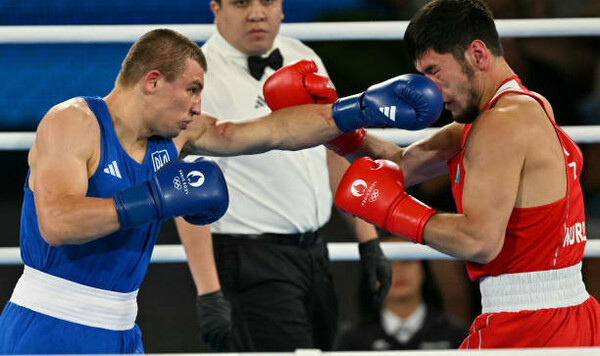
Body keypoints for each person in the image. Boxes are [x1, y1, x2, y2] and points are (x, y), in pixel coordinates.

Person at [0, 26, 443, 353]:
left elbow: (270, 131)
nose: (198, 105)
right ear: (152, 81)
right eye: (192, 90)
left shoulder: (173, 137)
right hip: (50, 323)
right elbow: (57, 222)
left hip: (122, 327)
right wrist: (155, 199)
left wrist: (353, 110)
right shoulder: (73, 122)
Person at [328, 0, 600, 348]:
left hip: (527, 322)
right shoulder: (526, 105)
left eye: (434, 72)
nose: (431, 93)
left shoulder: (498, 123)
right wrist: (342, 123)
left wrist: (393, 210)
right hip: (570, 312)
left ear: (477, 54)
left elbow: (479, 241)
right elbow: (400, 162)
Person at [175, 0, 391, 352]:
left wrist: (368, 241)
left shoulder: (301, 56)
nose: (256, 13)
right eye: (242, 2)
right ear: (216, 8)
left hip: (315, 253)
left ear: (282, 7)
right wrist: (209, 291)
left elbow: (334, 147)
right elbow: (187, 191)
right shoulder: (197, 79)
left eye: (267, 1)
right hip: (249, 259)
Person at [336, 237, 466, 351]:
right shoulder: (352, 341)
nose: (397, 271)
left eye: (407, 260)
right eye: (386, 263)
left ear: (424, 269)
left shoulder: (456, 335)